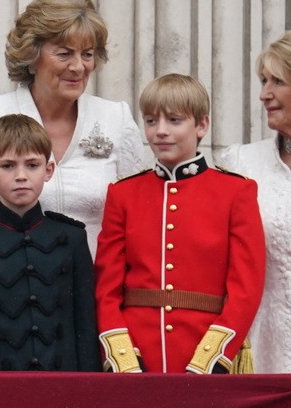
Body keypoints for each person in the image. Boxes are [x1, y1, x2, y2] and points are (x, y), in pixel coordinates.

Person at [0, 0, 144, 255]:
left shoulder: (116, 119)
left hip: (95, 292)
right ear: (32, 55)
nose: (78, 67)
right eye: (64, 54)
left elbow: (140, 224)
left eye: (87, 54)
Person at [95, 74, 265, 374]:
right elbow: (106, 288)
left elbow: (246, 288)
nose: (160, 131)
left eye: (174, 120)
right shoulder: (122, 194)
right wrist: (122, 355)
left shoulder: (236, 192)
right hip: (137, 355)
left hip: (205, 349)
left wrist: (212, 357)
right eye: (150, 121)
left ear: (202, 125)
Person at [0, 114, 98, 371]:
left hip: (62, 386)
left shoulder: (71, 238)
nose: (21, 176)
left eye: (32, 165)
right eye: (7, 166)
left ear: (48, 170)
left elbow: (85, 325)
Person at [220, 33, 291, 371]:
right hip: (258, 354)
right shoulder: (241, 163)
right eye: (264, 81)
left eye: (278, 81)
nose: (264, 94)